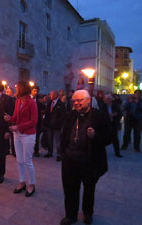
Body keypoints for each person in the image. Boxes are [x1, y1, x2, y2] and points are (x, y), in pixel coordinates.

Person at [60, 90, 111, 225]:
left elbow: (109, 138)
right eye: (74, 100)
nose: (76, 103)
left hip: (89, 161)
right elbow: (64, 135)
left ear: (88, 100)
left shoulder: (100, 116)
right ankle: (71, 215)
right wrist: (63, 152)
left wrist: (95, 136)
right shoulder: (71, 115)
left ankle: (88, 213)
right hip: (70, 160)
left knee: (89, 189)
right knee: (70, 189)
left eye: (79, 100)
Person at [4, 80, 38, 197]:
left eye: (17, 87)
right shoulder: (18, 101)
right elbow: (15, 116)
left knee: (27, 161)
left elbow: (34, 121)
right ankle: (22, 181)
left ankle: (32, 184)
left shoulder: (31, 102)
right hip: (17, 134)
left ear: (22, 88)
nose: (15, 88)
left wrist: (17, 126)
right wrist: (10, 118)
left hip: (28, 134)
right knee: (19, 160)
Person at [44, 90, 66, 161]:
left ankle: (59, 154)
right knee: (49, 139)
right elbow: (47, 113)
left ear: (56, 95)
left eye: (51, 94)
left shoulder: (61, 104)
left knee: (58, 140)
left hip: (57, 125)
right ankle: (50, 152)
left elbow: (62, 115)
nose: (50, 96)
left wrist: (58, 122)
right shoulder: (49, 103)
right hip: (49, 125)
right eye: (50, 94)